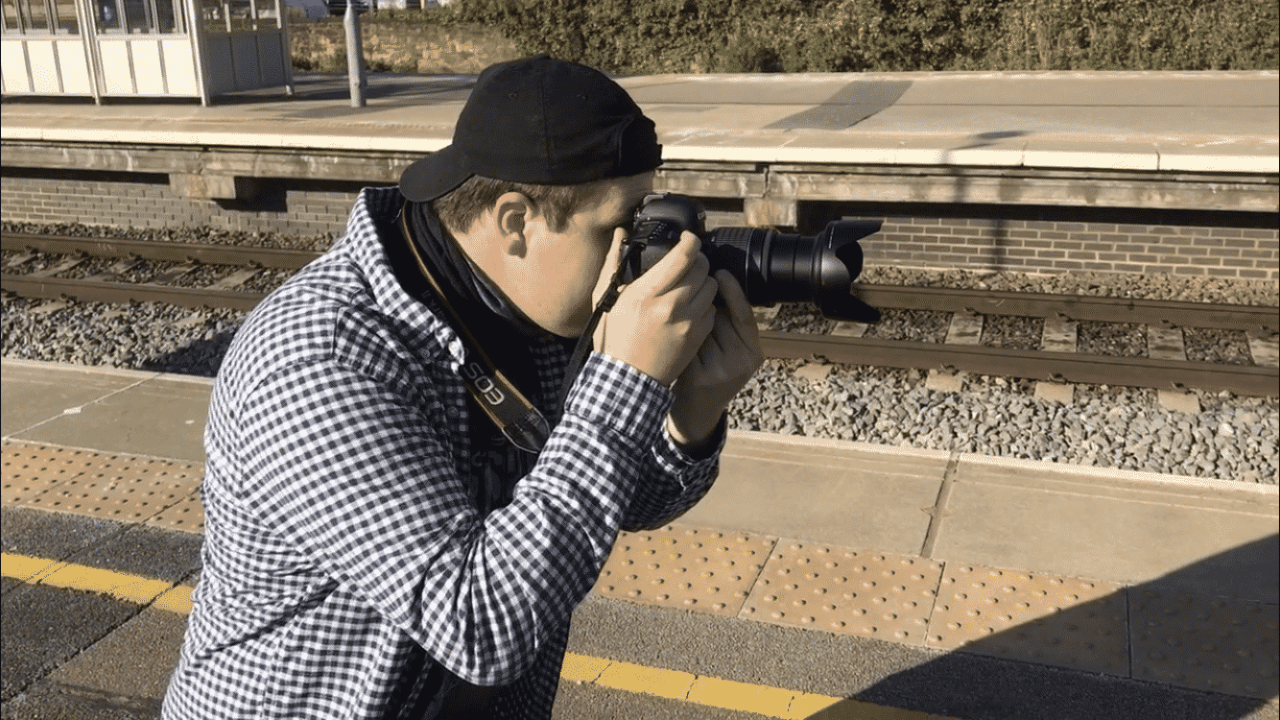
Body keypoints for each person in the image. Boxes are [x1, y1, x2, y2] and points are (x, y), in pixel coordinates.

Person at [162, 55, 763, 719]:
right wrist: (626, 381)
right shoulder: (323, 357)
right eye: (617, 226)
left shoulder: (530, 302)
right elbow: (480, 626)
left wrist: (692, 413)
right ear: (514, 221)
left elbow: (619, 499)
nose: (633, 253)